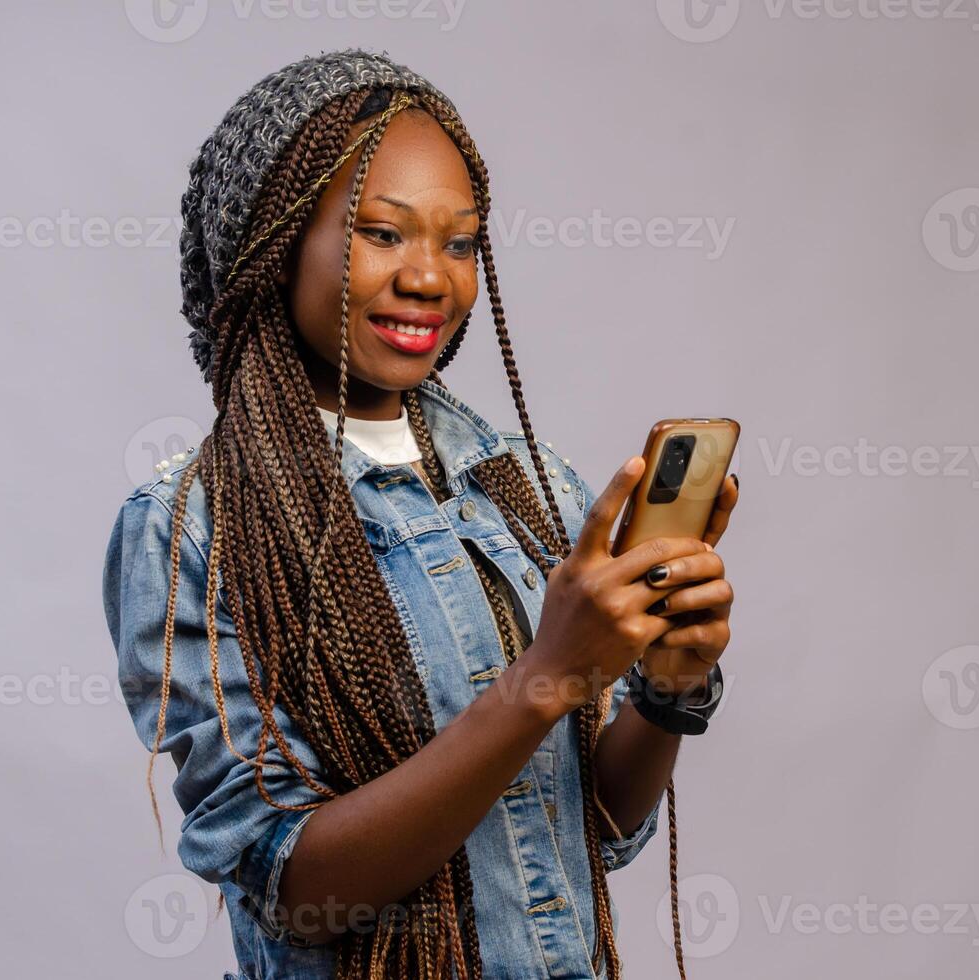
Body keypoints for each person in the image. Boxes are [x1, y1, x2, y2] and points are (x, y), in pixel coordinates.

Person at [101, 48, 739, 980]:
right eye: (382, 233)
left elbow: (587, 833)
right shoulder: (194, 526)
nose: (430, 278)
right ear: (274, 246)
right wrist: (550, 676)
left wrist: (666, 691)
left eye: (461, 241)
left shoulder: (528, 485)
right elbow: (299, 894)